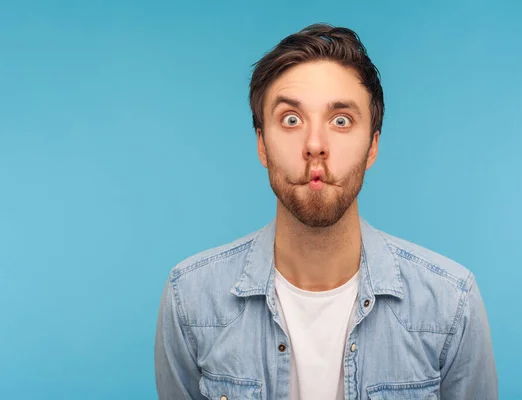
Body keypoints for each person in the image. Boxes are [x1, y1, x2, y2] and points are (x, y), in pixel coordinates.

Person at [155, 23, 497, 400]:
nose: (315, 145)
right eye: (290, 119)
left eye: (340, 121)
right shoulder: (189, 299)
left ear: (372, 147)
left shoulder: (451, 306)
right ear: (262, 146)